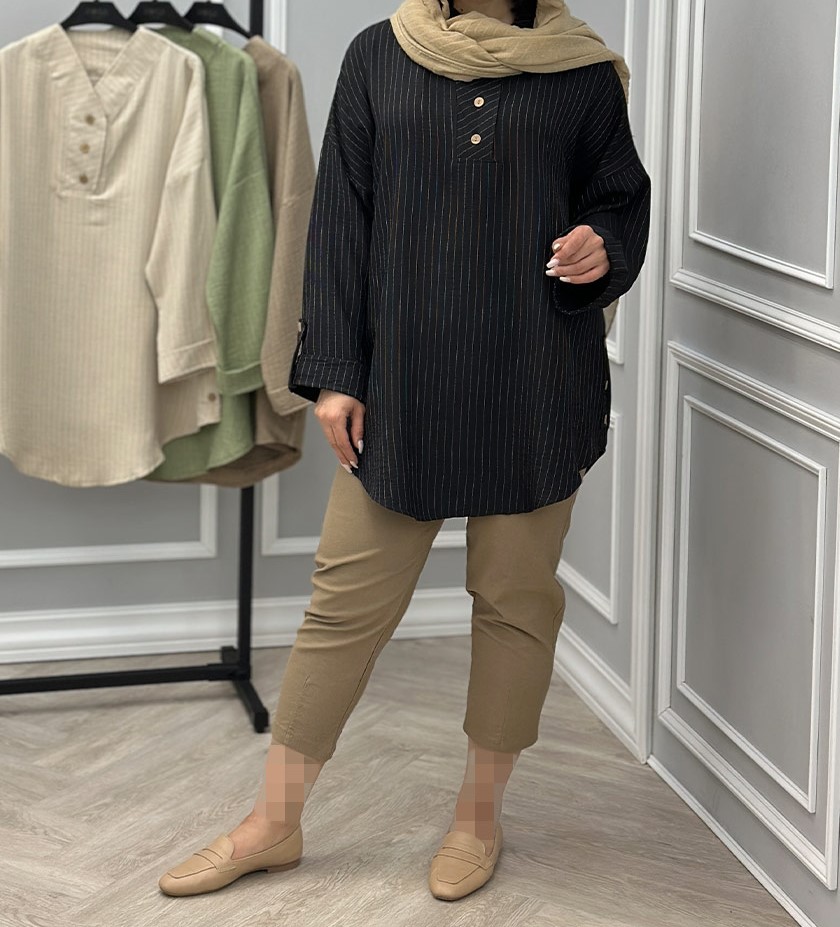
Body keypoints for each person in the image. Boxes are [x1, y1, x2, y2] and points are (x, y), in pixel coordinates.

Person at [158, 0, 651, 902]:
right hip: (401, 384)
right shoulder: (379, 55)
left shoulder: (579, 71)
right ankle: (274, 822)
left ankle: (478, 818)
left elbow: (619, 199)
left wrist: (602, 247)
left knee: (514, 602)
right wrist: (336, 373)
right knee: (343, 603)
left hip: (535, 381)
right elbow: (340, 218)